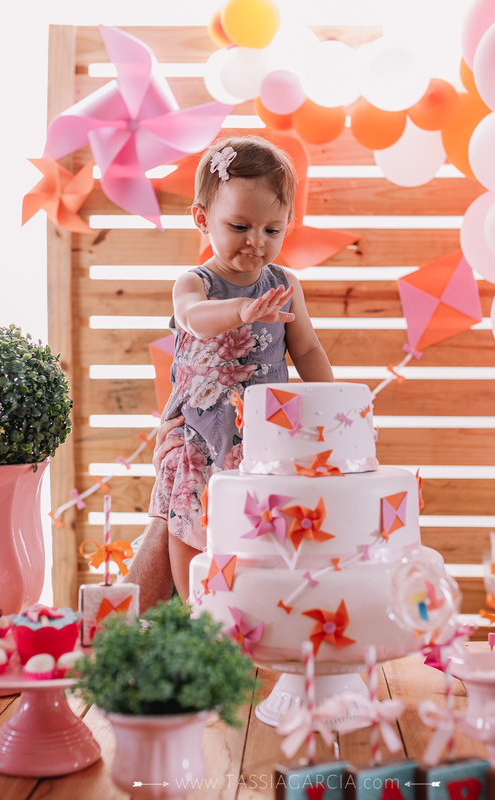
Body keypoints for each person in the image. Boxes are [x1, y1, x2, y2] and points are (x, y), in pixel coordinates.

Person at [126, 136, 334, 604]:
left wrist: (338, 406)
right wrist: (241, 311)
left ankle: (248, 609)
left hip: (263, 435)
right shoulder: (195, 283)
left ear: (288, 225)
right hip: (199, 433)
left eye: (272, 230)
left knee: (256, 526)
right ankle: (195, 610)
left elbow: (307, 349)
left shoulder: (284, 285)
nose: (256, 241)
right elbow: (192, 319)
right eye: (239, 226)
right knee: (189, 521)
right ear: (202, 219)